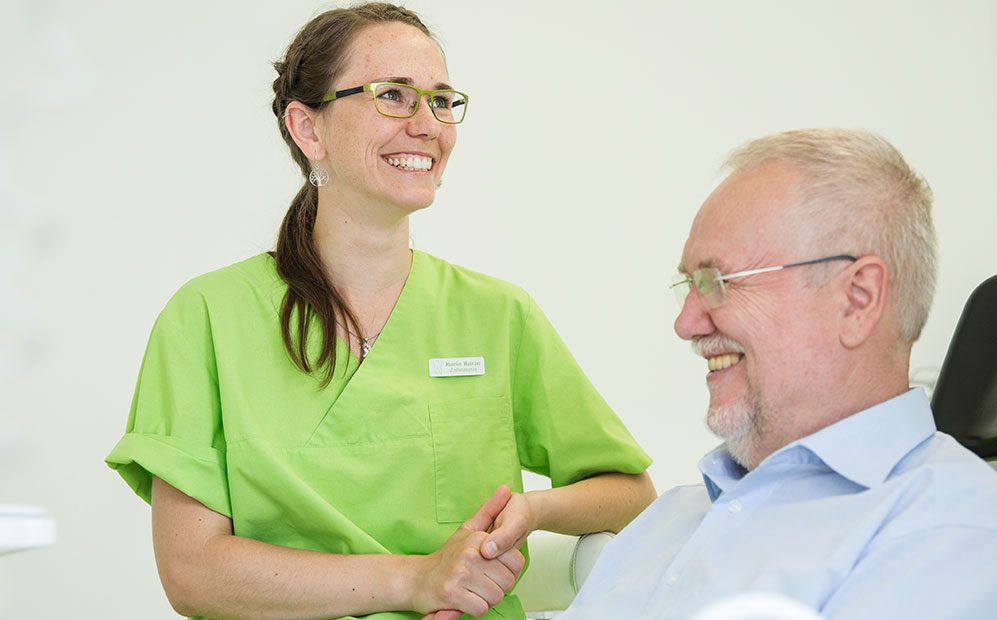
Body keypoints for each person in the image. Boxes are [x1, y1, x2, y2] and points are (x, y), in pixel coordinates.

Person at [104, 4, 655, 619]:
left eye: (442, 101)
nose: (429, 124)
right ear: (308, 129)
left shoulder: (498, 316)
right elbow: (192, 573)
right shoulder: (204, 318)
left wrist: (532, 510)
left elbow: (631, 494)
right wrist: (416, 580)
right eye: (394, 95)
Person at [559, 129, 997, 619]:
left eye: (716, 281)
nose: (685, 323)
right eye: (687, 285)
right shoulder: (669, 520)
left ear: (856, 300)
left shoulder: (956, 535)